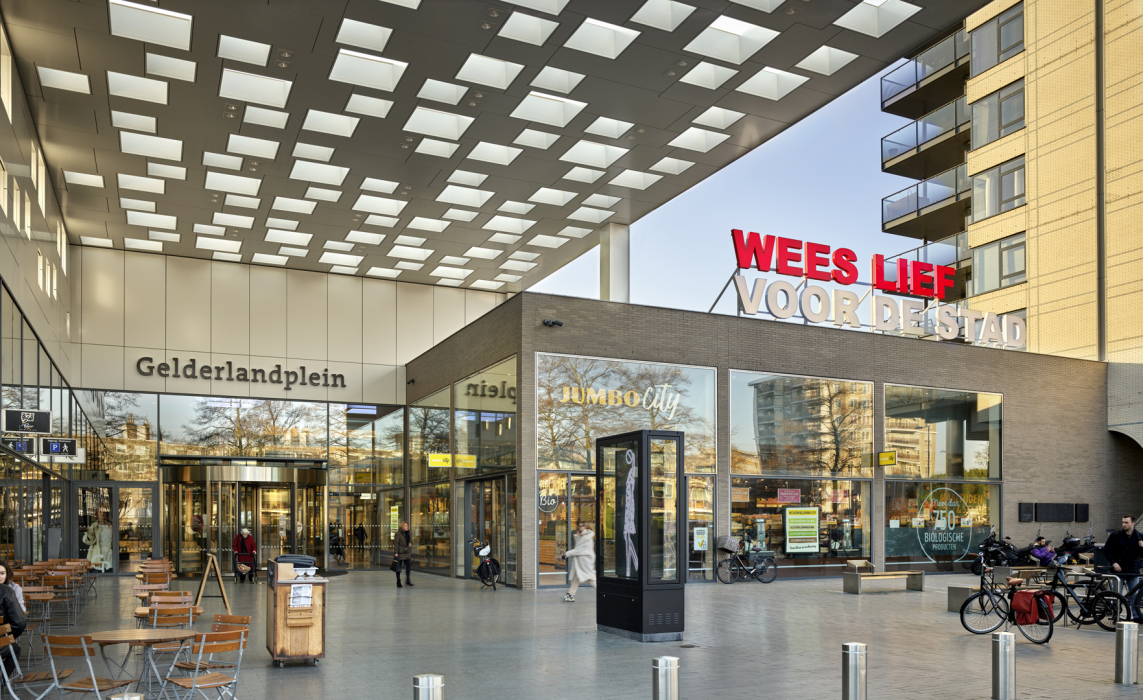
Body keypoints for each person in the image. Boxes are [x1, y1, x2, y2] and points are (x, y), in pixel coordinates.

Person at [1106, 514, 1143, 602]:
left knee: (1134, 594)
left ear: (1133, 523)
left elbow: (1142, 556)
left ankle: (1135, 615)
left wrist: (1142, 547)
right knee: (1116, 594)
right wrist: (1114, 563)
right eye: (1123, 522)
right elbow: (1106, 550)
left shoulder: (1140, 536)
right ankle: (1116, 614)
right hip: (1118, 569)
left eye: (1126, 522)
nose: (1123, 524)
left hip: (1132, 569)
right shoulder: (1115, 535)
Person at [560, 521, 596, 602]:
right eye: (579, 526)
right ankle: (570, 594)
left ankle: (604, 592)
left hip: (585, 561)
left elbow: (579, 549)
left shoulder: (586, 537)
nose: (579, 527)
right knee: (577, 578)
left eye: (581, 526)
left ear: (585, 527)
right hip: (582, 561)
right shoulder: (584, 535)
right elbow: (579, 546)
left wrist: (567, 554)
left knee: (591, 579)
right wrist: (577, 536)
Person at [0, 563, 25, 678]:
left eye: (2, 573)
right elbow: (19, 623)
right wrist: (8, 636)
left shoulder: (14, 589)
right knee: (14, 649)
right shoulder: (6, 591)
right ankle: (1, 682)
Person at [394, 522, 413, 588]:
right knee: (398, 568)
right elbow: (396, 544)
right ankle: (398, 581)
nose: (406, 526)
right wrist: (396, 553)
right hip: (400, 553)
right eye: (405, 525)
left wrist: (410, 543)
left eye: (407, 525)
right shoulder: (398, 534)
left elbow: (409, 541)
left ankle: (408, 580)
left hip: (407, 553)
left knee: (408, 566)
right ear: (402, 527)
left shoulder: (409, 533)